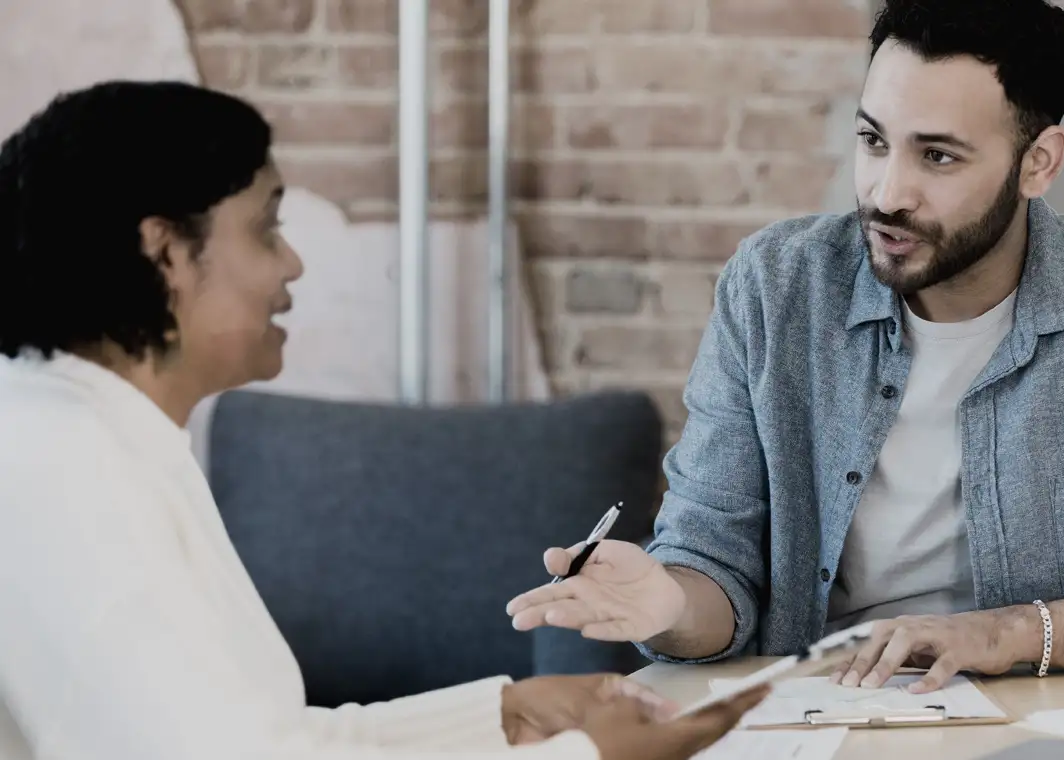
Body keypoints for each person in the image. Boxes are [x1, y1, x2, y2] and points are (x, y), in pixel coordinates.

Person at [507, 0, 1064, 694]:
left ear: (1039, 162)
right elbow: (716, 577)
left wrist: (1012, 634)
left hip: (1055, 725)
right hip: (821, 721)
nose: (888, 192)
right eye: (873, 140)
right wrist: (664, 599)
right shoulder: (774, 290)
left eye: (938, 157)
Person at [0, 80, 765, 760]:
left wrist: (499, 714)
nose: (292, 264)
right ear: (165, 252)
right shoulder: (68, 476)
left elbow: (272, 739)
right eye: (267, 228)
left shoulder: (91, 435)